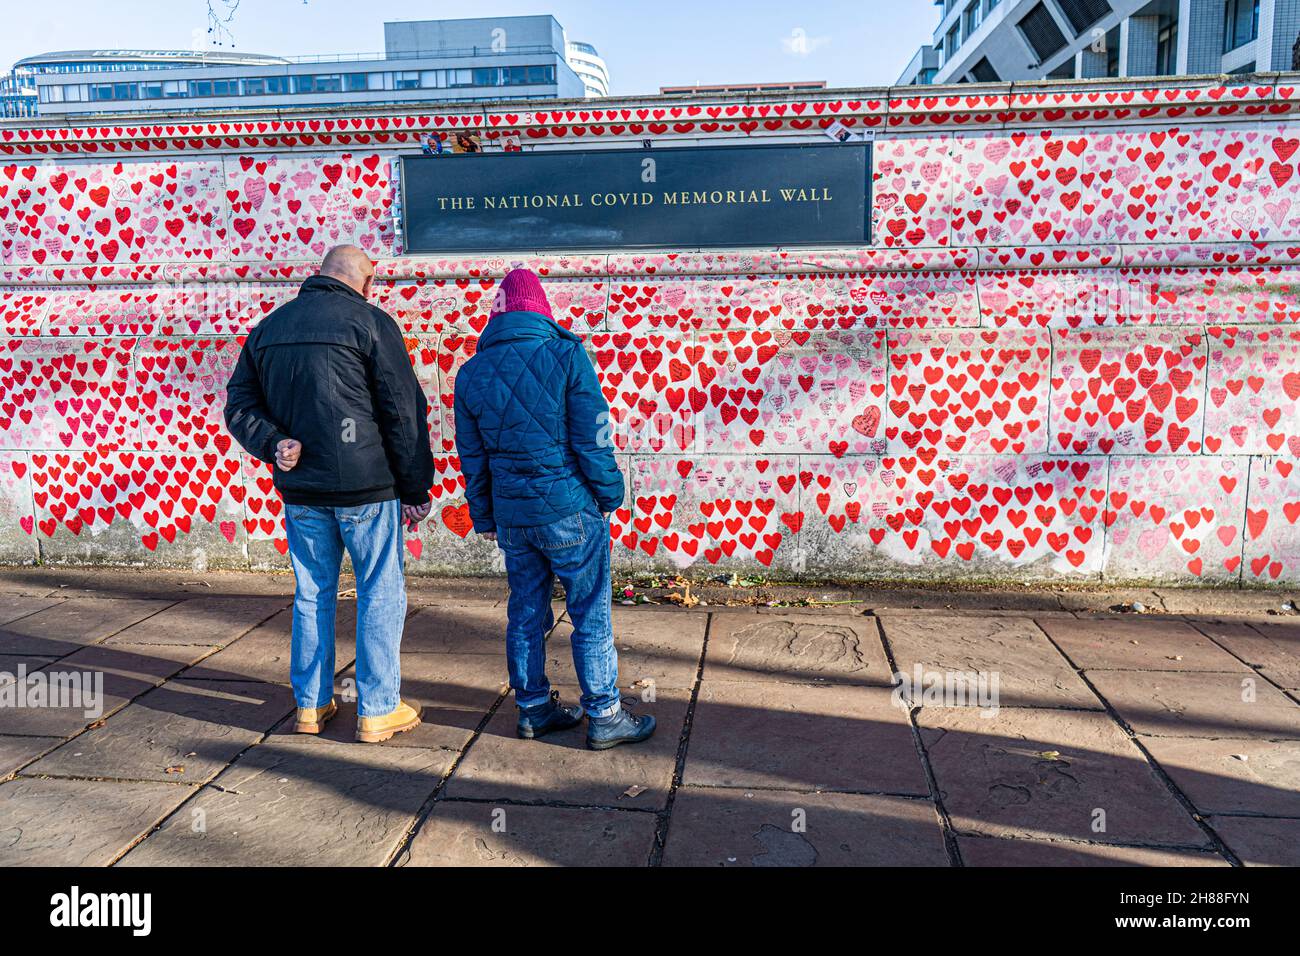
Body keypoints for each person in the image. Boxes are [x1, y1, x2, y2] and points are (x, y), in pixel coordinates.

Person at [225, 245, 433, 743]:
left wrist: (274, 443)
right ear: (366, 281)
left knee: (312, 593)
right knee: (380, 591)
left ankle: (311, 705)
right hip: (367, 486)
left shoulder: (269, 328)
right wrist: (415, 485)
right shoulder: (370, 322)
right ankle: (379, 708)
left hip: (301, 490)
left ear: (319, 276)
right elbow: (404, 411)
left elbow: (239, 404)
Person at [454, 269, 655, 750]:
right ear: (542, 309)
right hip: (570, 509)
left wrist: (484, 516)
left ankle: (533, 709)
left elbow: (472, 456)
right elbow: (594, 436)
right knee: (590, 613)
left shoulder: (471, 373)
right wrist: (609, 493)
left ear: (497, 314)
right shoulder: (566, 355)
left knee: (525, 613)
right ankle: (605, 715)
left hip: (514, 519)